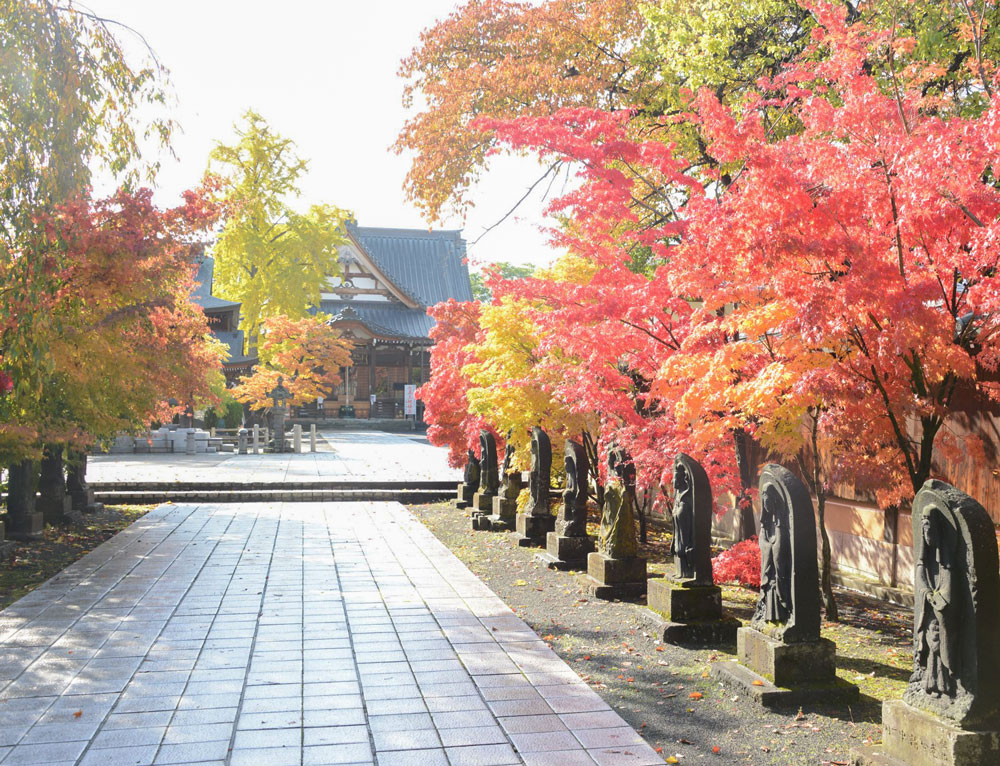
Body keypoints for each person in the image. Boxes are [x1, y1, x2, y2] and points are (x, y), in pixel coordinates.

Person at [912, 506, 959, 697]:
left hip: (942, 610)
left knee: (940, 642)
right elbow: (921, 578)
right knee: (929, 641)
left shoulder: (946, 562)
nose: (928, 536)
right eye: (925, 532)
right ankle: (930, 682)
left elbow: (948, 587)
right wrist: (927, 594)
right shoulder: (924, 562)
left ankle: (945, 683)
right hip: (930, 608)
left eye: (931, 531)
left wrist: (939, 600)